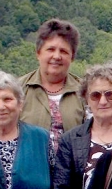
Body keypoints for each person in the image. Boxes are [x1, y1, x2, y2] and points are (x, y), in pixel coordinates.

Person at [18, 18, 85, 148]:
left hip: (72, 167)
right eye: (50, 49)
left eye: (64, 51)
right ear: (38, 53)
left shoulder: (84, 91)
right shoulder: (18, 89)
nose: (56, 56)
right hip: (30, 166)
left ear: (72, 57)